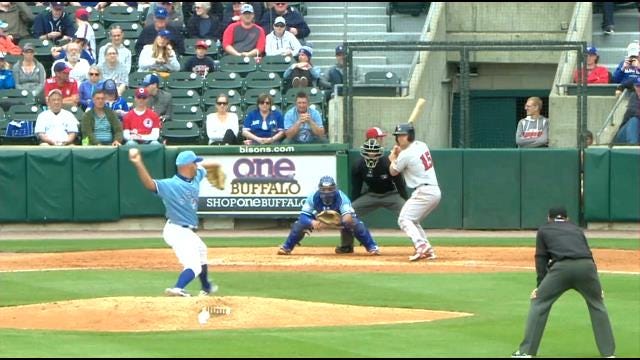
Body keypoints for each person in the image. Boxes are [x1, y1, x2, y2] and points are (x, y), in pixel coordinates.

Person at [511, 206, 616, 358]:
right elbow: (588, 254)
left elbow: (541, 259)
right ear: (567, 219)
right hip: (586, 267)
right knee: (597, 305)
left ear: (549, 218)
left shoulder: (544, 229)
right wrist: (597, 286)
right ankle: (608, 354)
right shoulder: (576, 229)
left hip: (561, 269)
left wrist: (540, 286)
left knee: (539, 302)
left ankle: (526, 352)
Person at [128, 148, 219, 297]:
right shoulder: (171, 185)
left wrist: (214, 171)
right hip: (176, 230)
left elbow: (206, 167)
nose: (197, 166)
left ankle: (206, 287)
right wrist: (138, 163)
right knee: (194, 266)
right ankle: (177, 288)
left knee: (202, 250)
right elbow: (150, 184)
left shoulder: (196, 176)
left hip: (187, 231)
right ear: (188, 166)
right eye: (195, 163)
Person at [336, 138, 409, 254]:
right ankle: (346, 246)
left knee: (410, 214)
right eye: (369, 152)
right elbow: (356, 188)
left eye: (374, 152)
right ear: (363, 152)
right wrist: (350, 206)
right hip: (371, 195)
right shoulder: (358, 165)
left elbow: (400, 183)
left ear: (379, 152)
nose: (371, 154)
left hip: (391, 194)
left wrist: (406, 200)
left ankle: (420, 244)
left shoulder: (387, 163)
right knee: (347, 214)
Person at [278, 175, 380, 255]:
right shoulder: (313, 196)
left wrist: (336, 222)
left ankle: (371, 247)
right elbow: (303, 216)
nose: (327, 192)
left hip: (340, 218)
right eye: (324, 189)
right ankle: (287, 247)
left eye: (330, 189)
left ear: (334, 189)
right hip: (319, 218)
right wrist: (312, 222)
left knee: (356, 224)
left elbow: (348, 218)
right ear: (319, 189)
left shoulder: (341, 197)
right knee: (299, 224)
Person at [388, 122, 441, 261]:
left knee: (404, 219)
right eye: (398, 136)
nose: (400, 138)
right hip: (433, 190)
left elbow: (393, 172)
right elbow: (408, 157)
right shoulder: (421, 145)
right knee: (413, 220)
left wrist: (393, 158)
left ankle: (420, 245)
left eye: (403, 135)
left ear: (410, 136)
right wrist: (399, 155)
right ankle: (427, 249)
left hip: (424, 190)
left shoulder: (406, 154)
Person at [612, 77, 640, 144]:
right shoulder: (634, 97)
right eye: (637, 86)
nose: (639, 89)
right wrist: (619, 89)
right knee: (634, 120)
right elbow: (633, 111)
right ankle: (633, 150)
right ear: (634, 87)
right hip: (625, 134)